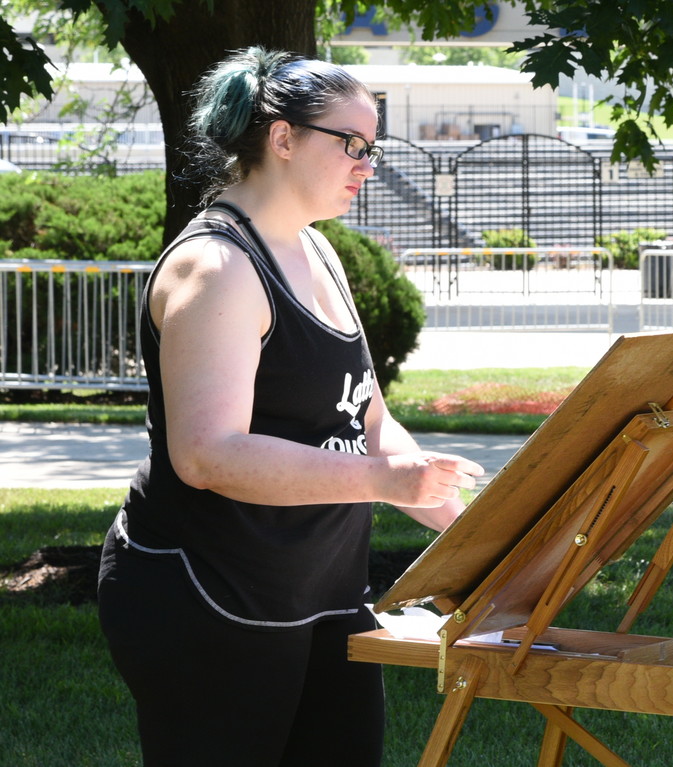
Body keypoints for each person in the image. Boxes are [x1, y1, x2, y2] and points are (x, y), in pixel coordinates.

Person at [96, 48, 485, 764]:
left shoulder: (319, 252)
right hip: (205, 595)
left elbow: (366, 419)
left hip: (324, 592)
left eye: (374, 146)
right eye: (353, 144)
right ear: (282, 137)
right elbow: (208, 453)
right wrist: (384, 482)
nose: (368, 163)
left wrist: (473, 552)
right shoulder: (216, 266)